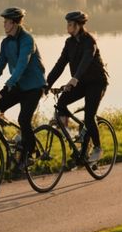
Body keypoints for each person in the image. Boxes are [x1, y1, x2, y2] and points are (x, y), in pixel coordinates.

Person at [0, 6, 47, 170]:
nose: (3, 25)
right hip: (18, 85)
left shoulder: (27, 40)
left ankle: (32, 151)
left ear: (14, 23)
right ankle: (16, 143)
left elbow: (21, 66)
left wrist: (5, 88)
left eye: (6, 22)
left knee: (24, 119)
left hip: (34, 87)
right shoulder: (6, 43)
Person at [46, 10, 109, 162]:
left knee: (89, 116)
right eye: (67, 23)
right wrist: (46, 84)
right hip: (80, 82)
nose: (67, 26)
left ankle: (97, 147)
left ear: (79, 25)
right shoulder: (69, 43)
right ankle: (75, 132)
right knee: (61, 103)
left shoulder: (89, 41)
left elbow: (86, 61)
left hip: (96, 82)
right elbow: (60, 64)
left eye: (70, 24)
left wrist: (74, 78)